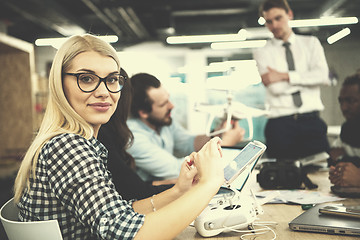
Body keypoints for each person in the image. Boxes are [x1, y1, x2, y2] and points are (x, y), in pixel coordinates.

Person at [13, 34, 225, 240]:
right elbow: (124, 233)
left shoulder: (83, 142)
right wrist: (209, 183)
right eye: (86, 79)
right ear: (60, 84)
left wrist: (179, 190)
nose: (105, 92)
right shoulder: (68, 145)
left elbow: (119, 212)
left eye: (112, 80)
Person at [127, 73, 245, 182]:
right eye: (163, 104)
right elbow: (176, 170)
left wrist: (217, 134)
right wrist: (225, 144)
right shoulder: (132, 137)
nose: (171, 105)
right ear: (143, 112)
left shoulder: (163, 123)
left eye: (168, 99)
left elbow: (188, 143)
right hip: (151, 198)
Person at [253, 0, 331, 160]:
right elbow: (275, 89)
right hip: (280, 125)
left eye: (278, 18)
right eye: (269, 21)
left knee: (321, 172)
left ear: (289, 15)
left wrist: (284, 76)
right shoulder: (262, 51)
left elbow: (323, 76)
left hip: (311, 122)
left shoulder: (311, 43)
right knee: (282, 178)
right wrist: (307, 80)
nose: (274, 25)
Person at [98, 68, 172, 200]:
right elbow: (135, 192)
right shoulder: (104, 134)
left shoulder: (113, 131)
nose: (102, 93)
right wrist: (181, 188)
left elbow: (127, 185)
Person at [329, 74, 360, 187]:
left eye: (350, 101)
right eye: (341, 102)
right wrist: (339, 172)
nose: (344, 108)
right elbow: (334, 156)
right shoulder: (348, 129)